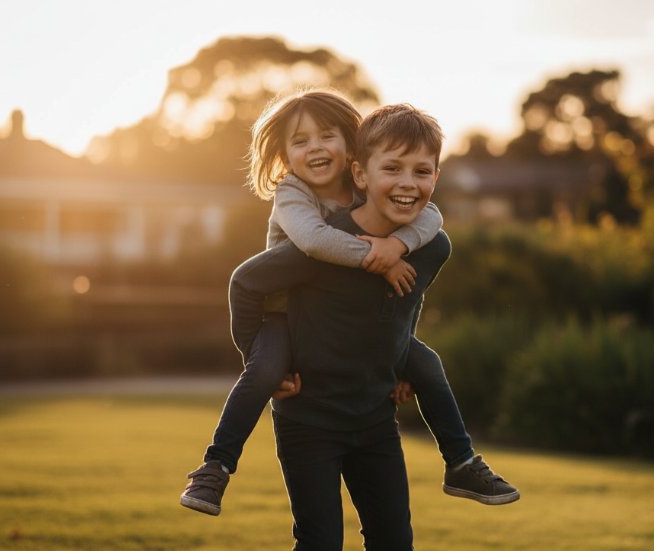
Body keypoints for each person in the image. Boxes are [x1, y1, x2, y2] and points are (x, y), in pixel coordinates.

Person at [180, 91, 518, 519]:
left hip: (347, 322)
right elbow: (314, 241)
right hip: (282, 314)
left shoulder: (362, 188)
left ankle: (461, 463)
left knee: (428, 365)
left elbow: (431, 217)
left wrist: (397, 245)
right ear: (284, 154)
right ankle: (215, 467)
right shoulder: (292, 192)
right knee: (264, 370)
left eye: (327, 136)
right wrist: (379, 258)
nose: (315, 147)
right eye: (300, 141)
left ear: (351, 147)